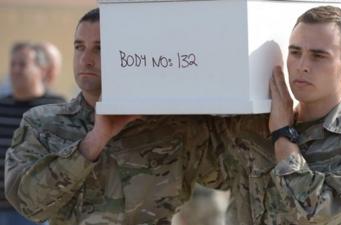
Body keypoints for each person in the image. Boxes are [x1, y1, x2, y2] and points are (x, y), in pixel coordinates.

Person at [4, 8, 231, 225]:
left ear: (131, 54)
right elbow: (30, 205)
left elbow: (229, 174)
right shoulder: (43, 123)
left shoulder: (173, 126)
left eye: (100, 48)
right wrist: (93, 141)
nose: (86, 60)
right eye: (79, 47)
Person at [222, 5, 341, 225]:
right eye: (295, 52)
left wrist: (282, 136)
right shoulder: (254, 129)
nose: (302, 66)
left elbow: (315, 213)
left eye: (318, 56)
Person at [0, 42, 65, 224]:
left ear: (42, 70)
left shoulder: (56, 107)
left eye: (23, 64)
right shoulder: (1, 105)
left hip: (36, 212)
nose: (16, 70)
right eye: (13, 64)